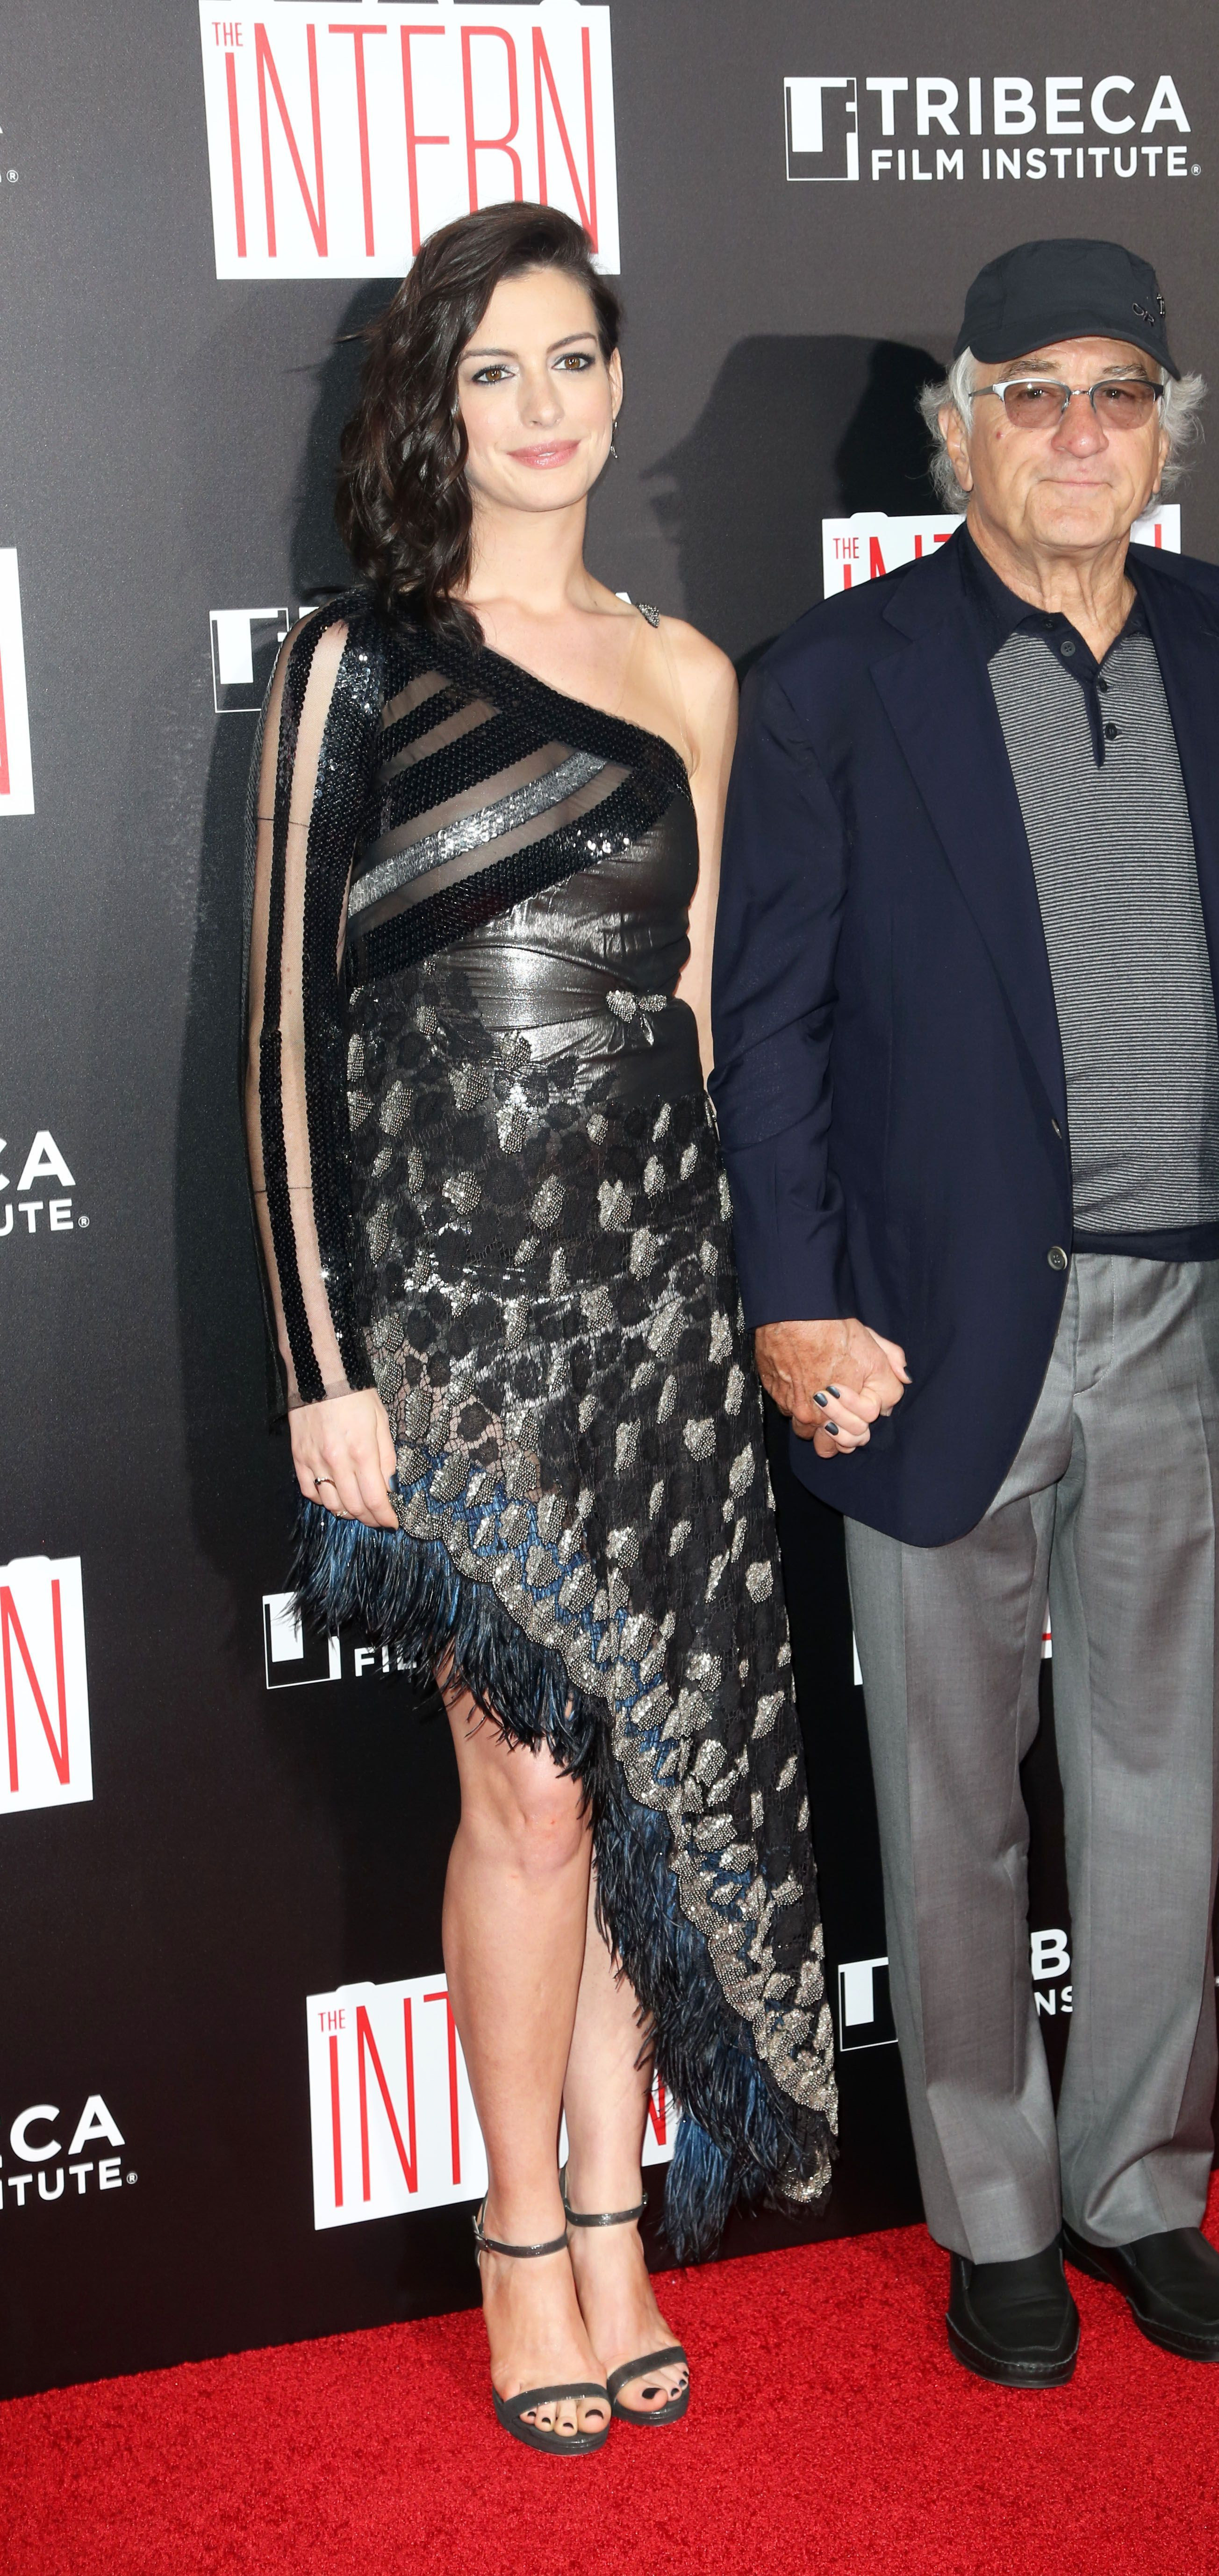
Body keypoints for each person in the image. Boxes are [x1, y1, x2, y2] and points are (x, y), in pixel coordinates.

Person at [710, 237, 1219, 2389]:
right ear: (960, 431)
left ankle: (1139, 2187)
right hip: (927, 1331)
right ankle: (996, 2215)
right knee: (949, 1800)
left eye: (1120, 393)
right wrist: (793, 1306)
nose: (1081, 432)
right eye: (1034, 393)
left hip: (1198, 1307)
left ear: (1166, 433)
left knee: (1154, 1783)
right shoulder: (836, 679)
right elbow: (769, 1030)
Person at [241, 203, 835, 2456]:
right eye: (492, 368)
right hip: (453, 1332)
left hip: (653, 1316)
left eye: (572, 356)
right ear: (435, 404)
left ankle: (613, 2218)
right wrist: (324, 1362)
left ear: (615, 375)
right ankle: (517, 2234)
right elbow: (281, 1039)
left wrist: (753, 1315)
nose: (542, 405)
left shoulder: (689, 676)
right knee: (527, 1791)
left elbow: (702, 1025)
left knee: (616, 1786)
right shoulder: (354, 662)